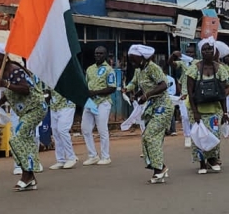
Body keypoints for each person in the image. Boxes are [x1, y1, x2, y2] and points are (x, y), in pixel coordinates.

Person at [0, 45, 47, 192]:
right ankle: (30, 177)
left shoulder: (14, 70)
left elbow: (25, 89)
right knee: (25, 141)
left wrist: (6, 85)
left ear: (5, 57)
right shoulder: (5, 71)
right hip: (25, 111)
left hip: (35, 108)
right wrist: (2, 98)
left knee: (17, 139)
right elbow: (12, 90)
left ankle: (27, 175)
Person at [125, 44, 173, 183]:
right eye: (131, 60)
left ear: (142, 58)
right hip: (152, 107)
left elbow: (163, 85)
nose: (132, 63)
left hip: (163, 106)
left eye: (134, 60)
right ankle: (158, 168)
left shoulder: (153, 68)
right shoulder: (139, 71)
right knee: (149, 138)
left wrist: (147, 95)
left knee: (150, 135)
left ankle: (160, 168)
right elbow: (145, 87)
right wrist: (138, 95)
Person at [187, 38, 229, 174]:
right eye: (204, 49)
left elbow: (223, 93)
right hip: (198, 109)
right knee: (199, 137)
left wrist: (225, 112)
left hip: (214, 109)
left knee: (214, 135)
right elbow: (190, 92)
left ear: (214, 51)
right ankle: (202, 163)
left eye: (210, 49)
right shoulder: (194, 68)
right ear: (201, 52)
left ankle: (212, 159)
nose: (207, 51)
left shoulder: (220, 69)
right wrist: (195, 111)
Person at [82, 46, 117, 166]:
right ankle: (92, 155)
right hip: (90, 103)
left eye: (101, 53)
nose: (98, 55)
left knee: (102, 129)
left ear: (105, 55)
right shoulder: (89, 69)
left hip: (103, 102)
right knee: (85, 129)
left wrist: (95, 92)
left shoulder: (109, 70)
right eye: (96, 53)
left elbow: (112, 88)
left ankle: (106, 156)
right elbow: (86, 84)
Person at [168, 46, 195, 148]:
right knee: (185, 116)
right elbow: (171, 63)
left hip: (195, 93)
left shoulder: (197, 63)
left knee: (194, 116)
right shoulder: (182, 63)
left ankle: (194, 136)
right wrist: (173, 55)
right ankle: (187, 136)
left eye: (191, 52)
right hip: (185, 94)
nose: (189, 54)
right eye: (187, 52)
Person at [48, 86, 77, 170]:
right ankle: (60, 160)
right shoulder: (49, 76)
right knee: (55, 132)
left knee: (62, 130)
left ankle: (71, 157)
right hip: (54, 106)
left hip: (67, 104)